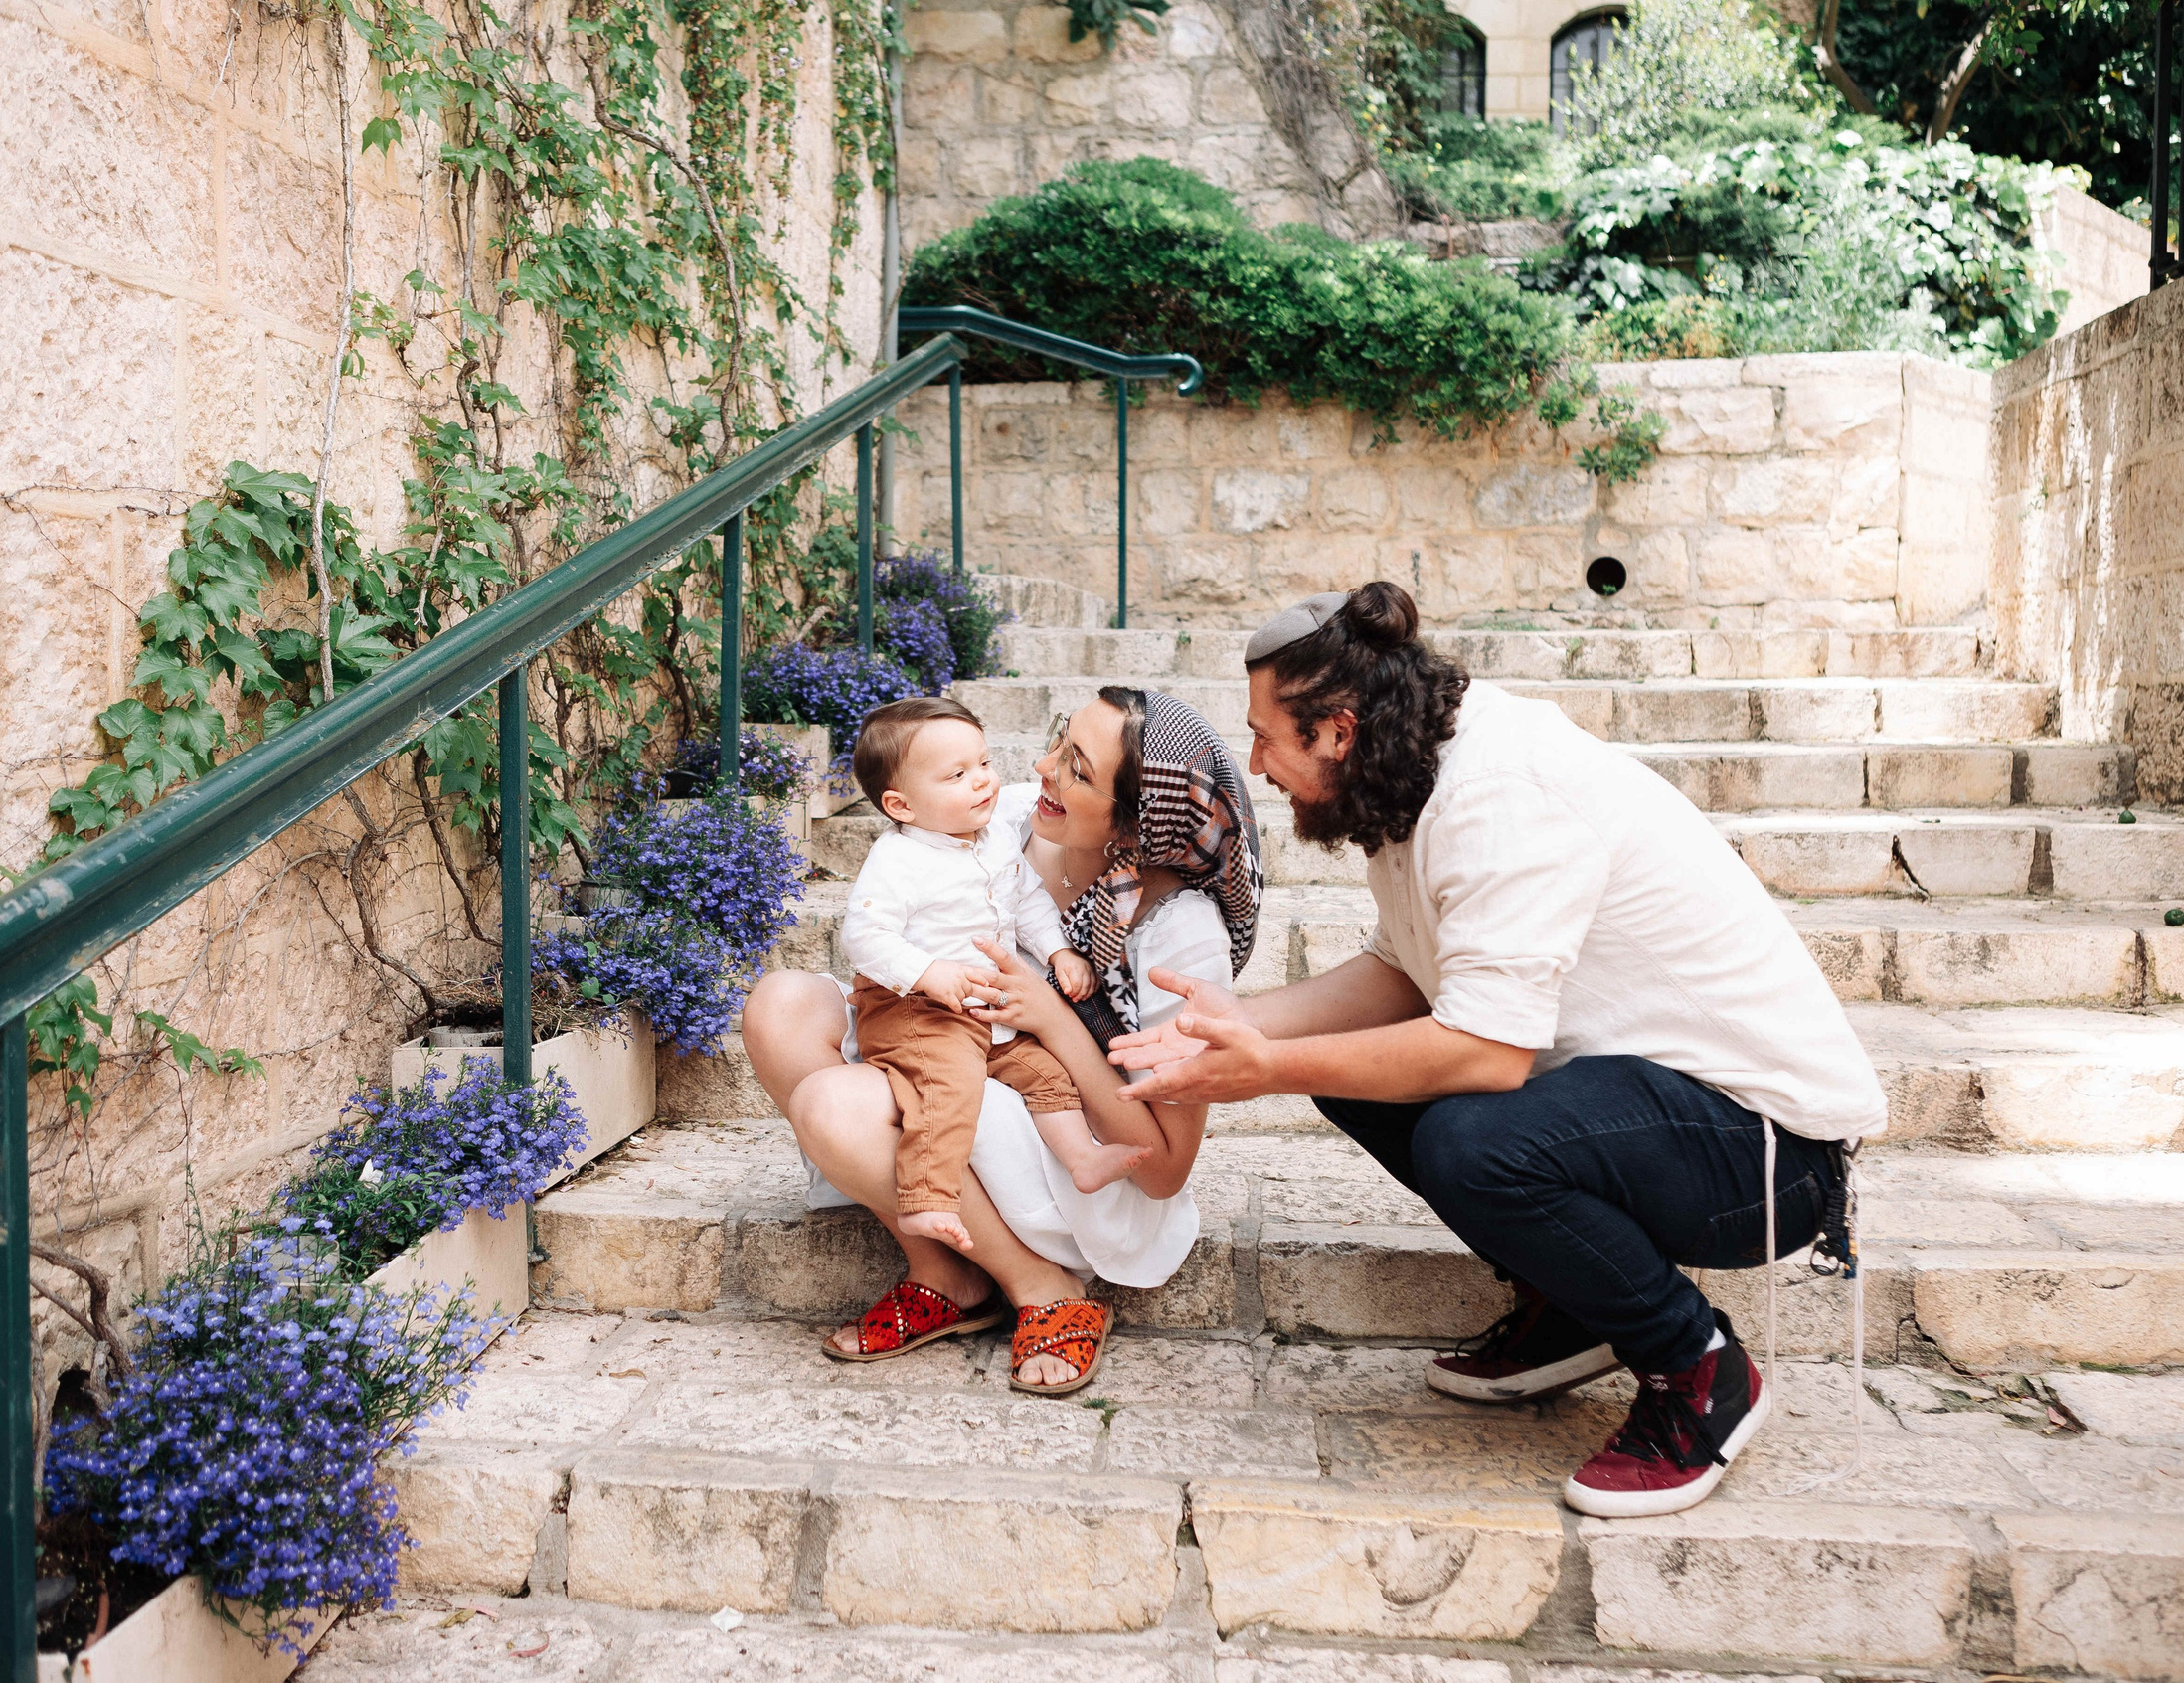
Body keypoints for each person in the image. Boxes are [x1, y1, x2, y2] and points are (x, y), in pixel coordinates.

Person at [1110, 583, 1885, 1517]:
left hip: (1764, 1156)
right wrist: (1234, 1021)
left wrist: (1267, 1069)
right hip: (1652, 1110)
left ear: (1339, 729)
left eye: (1269, 736)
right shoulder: (1411, 773)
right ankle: (1572, 1305)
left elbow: (1485, 1052)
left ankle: (1699, 1370)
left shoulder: (1496, 795)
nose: (1257, 763)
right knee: (1357, 1073)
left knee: (1469, 1142)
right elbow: (1401, 974)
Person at [739, 688, 1263, 1396]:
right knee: (779, 1007)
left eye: (1077, 769)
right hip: (964, 1040)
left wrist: (1051, 1015)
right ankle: (943, 1270)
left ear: (1136, 823)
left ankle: (1041, 1283)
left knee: (834, 1105)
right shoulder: (1013, 815)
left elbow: (1164, 1168)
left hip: (1064, 1133)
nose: (1042, 768)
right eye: (1057, 740)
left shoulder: (1178, 927)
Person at [839, 696, 1147, 1260]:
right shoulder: (898, 861)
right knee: (949, 1085)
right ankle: (927, 1196)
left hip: (986, 1012)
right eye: (958, 775)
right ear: (900, 805)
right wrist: (928, 972)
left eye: (984, 763)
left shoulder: (997, 838)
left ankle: (1081, 1157)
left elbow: (1026, 900)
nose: (983, 782)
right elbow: (863, 938)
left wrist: (1057, 953)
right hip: (917, 1011)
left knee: (1048, 1072)